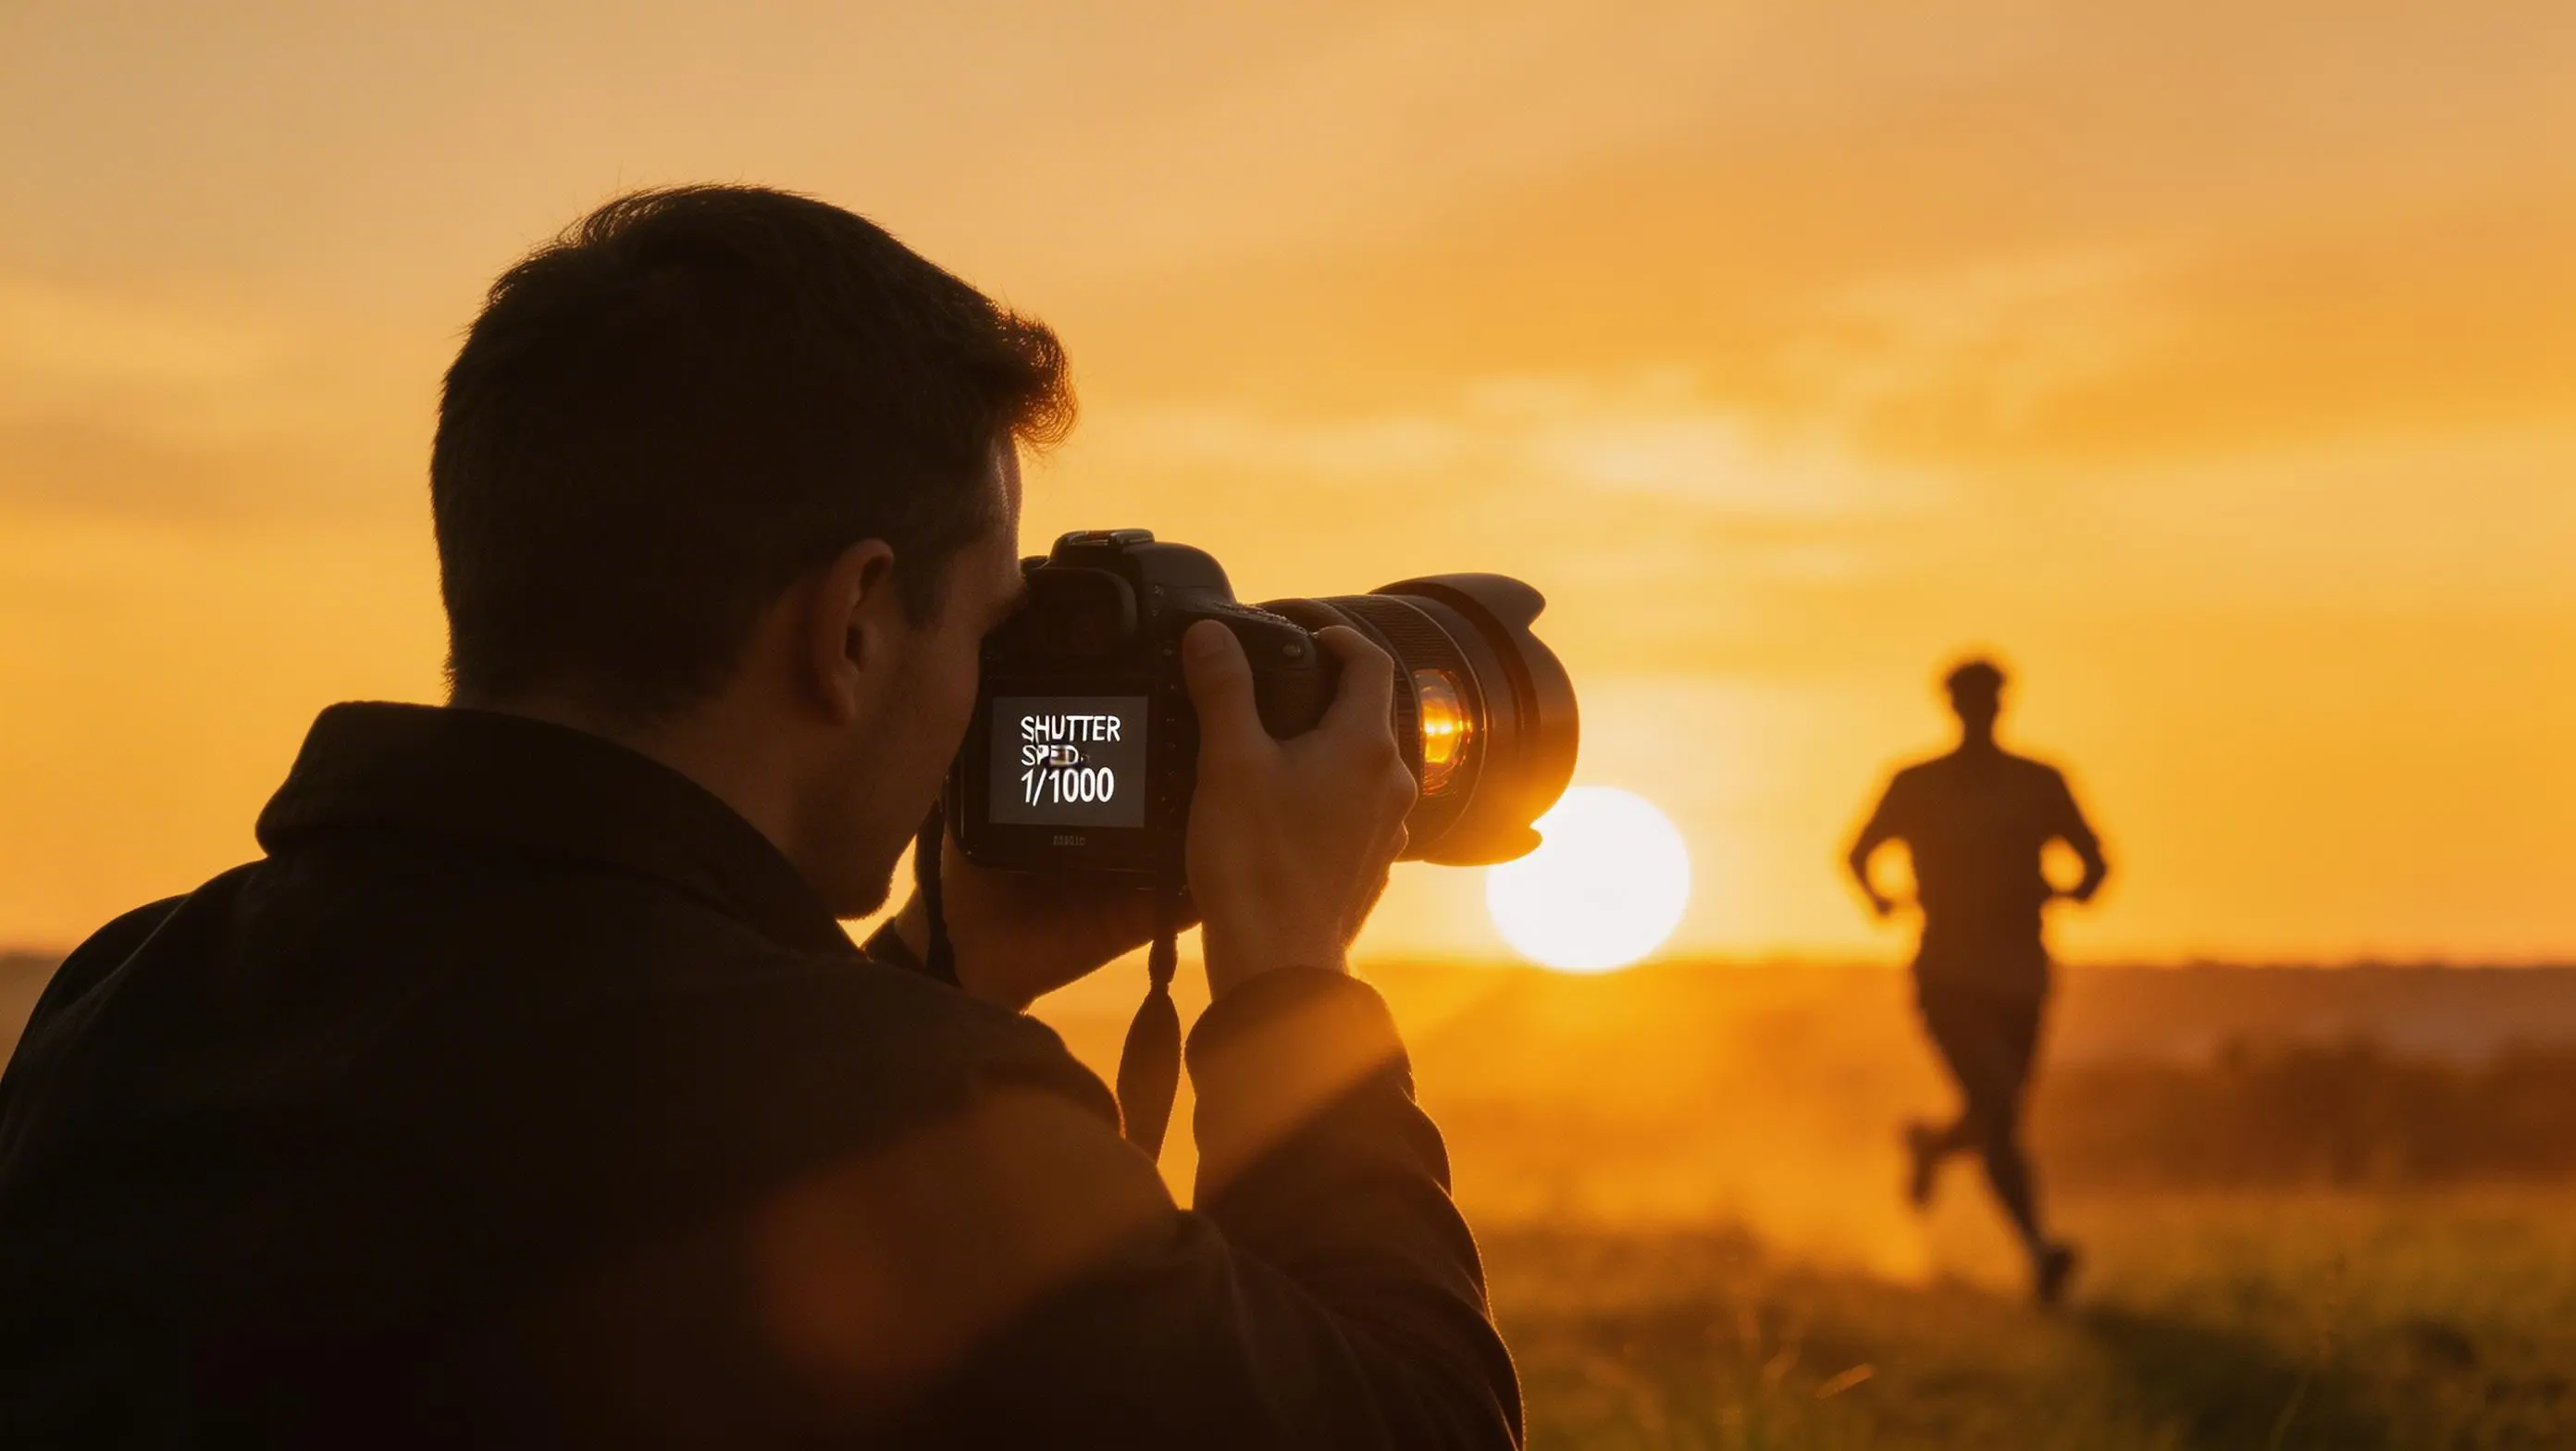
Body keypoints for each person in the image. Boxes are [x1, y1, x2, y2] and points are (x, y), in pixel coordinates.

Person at [0, 187, 1520, 1446]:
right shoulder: (887, 1110)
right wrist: (1287, 981)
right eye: (981, 630)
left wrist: (936, 969)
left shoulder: (125, 1010)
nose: (979, 701)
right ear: (854, 622)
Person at [1847, 657, 2107, 1305]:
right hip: (1948, 973)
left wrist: (2072, 892)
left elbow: (2097, 861)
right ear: (1954, 705)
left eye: (1987, 698)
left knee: (2001, 1113)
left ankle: (1933, 1144)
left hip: (2021, 974)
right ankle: (2039, 1250)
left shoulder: (2040, 782)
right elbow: (1857, 854)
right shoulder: (1915, 784)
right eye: (1971, 698)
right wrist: (1880, 902)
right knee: (1998, 1113)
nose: (1979, 709)